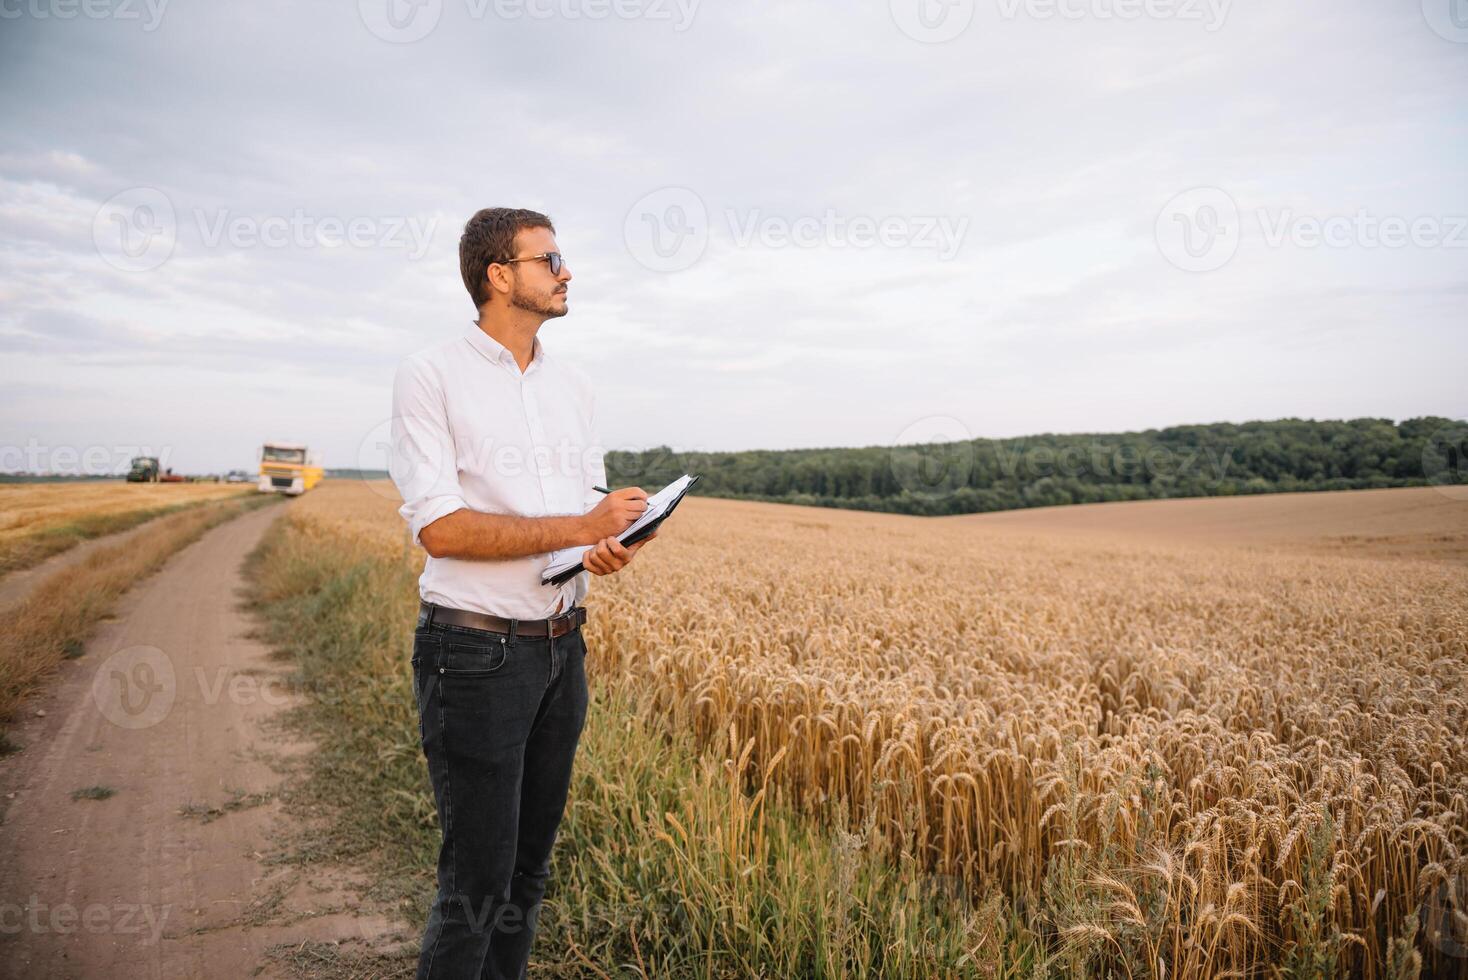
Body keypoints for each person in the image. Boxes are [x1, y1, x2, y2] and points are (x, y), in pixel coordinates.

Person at [389, 207, 655, 979]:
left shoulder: (572, 385)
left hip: (561, 648)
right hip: (473, 652)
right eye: (550, 259)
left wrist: (611, 540)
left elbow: (591, 497)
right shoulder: (430, 374)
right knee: (476, 883)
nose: (566, 271)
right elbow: (440, 528)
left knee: (528, 873)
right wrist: (579, 521)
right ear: (498, 275)